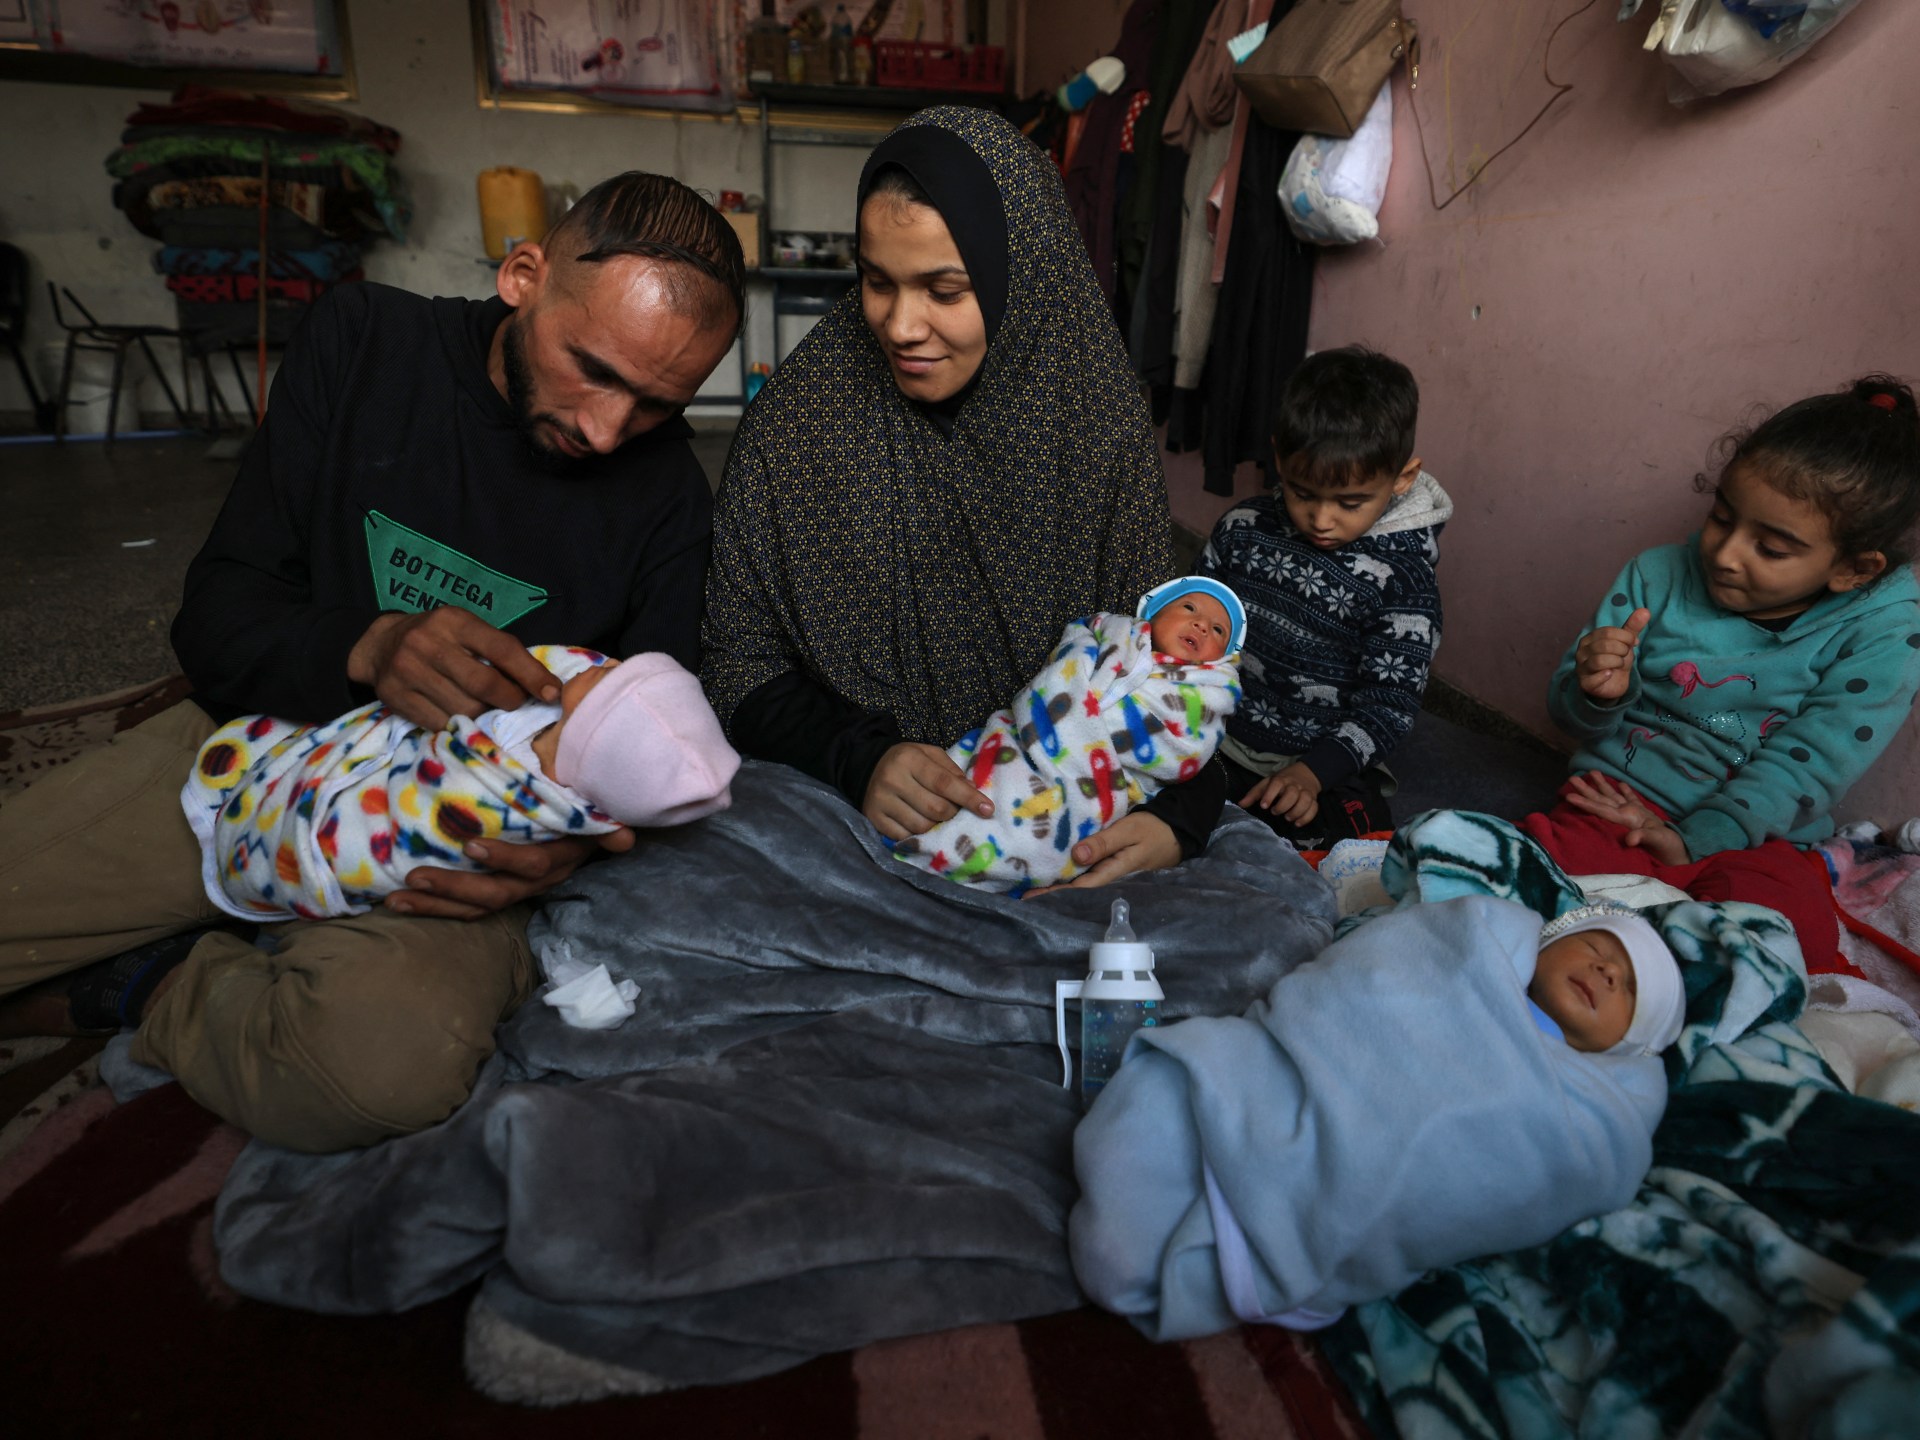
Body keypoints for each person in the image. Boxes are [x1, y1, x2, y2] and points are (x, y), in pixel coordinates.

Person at [0, 171, 744, 1152]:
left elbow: (652, 746)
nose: (608, 430)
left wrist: (552, 852)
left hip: (447, 832)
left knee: (373, 1072)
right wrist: (370, 644)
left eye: (658, 405)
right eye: (592, 369)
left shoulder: (668, 500)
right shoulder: (365, 343)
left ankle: (164, 987)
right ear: (524, 275)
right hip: (259, 746)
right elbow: (221, 611)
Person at [702, 106, 1226, 890]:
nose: (901, 325)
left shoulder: (1092, 415)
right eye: (878, 281)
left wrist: (1178, 819)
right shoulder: (802, 420)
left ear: (1021, 273)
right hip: (859, 804)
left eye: (944, 289)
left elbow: (1169, 658)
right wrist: (860, 756)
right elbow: (735, 661)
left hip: (1064, 801)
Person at [1069, 894, 1684, 1343]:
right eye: (1598, 947)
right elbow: (1366, 980)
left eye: (1628, 988)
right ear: (1548, 942)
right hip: (1269, 1084)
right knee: (1161, 1103)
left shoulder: (1589, 1116)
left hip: (1358, 1181)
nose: (1606, 970)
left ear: (1625, 1051)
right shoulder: (1468, 945)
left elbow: (1526, 1173)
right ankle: (1177, 1168)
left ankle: (1257, 1219)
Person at [1525, 375, 1920, 976]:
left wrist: (1697, 839)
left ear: (1853, 570)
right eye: (1721, 518)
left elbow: (1812, 762)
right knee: (1542, 877)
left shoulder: (1887, 635)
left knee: (1798, 936)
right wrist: (1594, 691)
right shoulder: (1656, 577)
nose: (1725, 554)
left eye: (1772, 548)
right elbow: (1569, 715)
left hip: (1759, 834)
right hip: (1620, 801)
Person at [185, 648, 739, 921]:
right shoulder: (561, 688)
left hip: (356, 831)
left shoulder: (502, 792)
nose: (610, 661)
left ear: (589, 738)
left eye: (613, 679)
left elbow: (420, 812)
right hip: (317, 716)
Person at [1194, 345, 1452, 849]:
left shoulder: (1403, 581)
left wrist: (1312, 774)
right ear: (1280, 459)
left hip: (1322, 761)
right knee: (1144, 794)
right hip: (1215, 734)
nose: (1322, 519)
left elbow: (1388, 706)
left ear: (1402, 479)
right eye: (1302, 492)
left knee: (1353, 845)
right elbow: (1195, 620)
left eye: (1350, 502)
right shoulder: (1242, 529)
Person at [890, 577, 1244, 894]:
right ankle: (932, 843)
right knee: (981, 778)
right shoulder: (1115, 635)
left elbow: (1187, 750)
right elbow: (1067, 661)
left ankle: (968, 863)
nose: (1201, 624)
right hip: (1030, 737)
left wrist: (1101, 723)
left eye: (1218, 631)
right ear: (1152, 612)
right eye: (1189, 607)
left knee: (1036, 839)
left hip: (1103, 780)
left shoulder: (1206, 692)